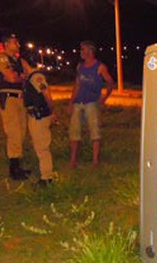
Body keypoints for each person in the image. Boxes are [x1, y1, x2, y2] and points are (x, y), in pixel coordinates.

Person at [68, 40, 114, 168]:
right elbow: (77, 85)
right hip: (78, 103)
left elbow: (110, 82)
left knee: (95, 132)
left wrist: (104, 98)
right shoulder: (80, 67)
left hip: (91, 103)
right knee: (74, 132)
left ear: (90, 50)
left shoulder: (100, 67)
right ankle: (73, 161)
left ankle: (95, 161)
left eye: (83, 49)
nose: (81, 52)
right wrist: (71, 102)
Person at [0, 33, 33, 180]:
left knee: (22, 131)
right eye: (15, 42)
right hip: (9, 98)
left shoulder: (20, 60)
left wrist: (22, 76)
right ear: (6, 44)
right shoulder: (1, 58)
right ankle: (14, 169)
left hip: (20, 98)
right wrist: (22, 76)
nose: (18, 45)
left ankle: (17, 165)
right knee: (14, 132)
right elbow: (10, 77)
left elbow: (32, 75)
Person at [22, 57, 55, 186]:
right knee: (40, 146)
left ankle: (47, 177)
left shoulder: (36, 76)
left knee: (42, 147)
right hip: (37, 115)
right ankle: (47, 175)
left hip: (39, 116)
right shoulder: (30, 78)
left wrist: (51, 110)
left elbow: (46, 94)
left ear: (25, 63)